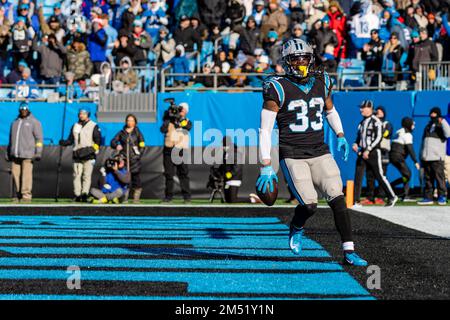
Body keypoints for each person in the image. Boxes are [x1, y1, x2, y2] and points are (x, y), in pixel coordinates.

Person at [257, 39, 367, 266]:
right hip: (293, 153)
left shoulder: (322, 81)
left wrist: (340, 135)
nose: (301, 62)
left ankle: (349, 250)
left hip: (320, 150)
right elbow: (265, 130)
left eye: (304, 58)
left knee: (338, 199)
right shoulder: (276, 87)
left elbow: (330, 110)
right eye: (296, 59)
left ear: (311, 58)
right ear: (287, 62)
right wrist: (266, 164)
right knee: (309, 204)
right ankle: (296, 226)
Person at [353, 100, 398, 207]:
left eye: (363, 108)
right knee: (358, 176)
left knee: (380, 175)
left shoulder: (376, 121)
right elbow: (359, 137)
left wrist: (369, 149)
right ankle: (356, 200)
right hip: (363, 152)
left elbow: (379, 137)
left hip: (373, 152)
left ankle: (392, 196)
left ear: (369, 108)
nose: (361, 110)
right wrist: (355, 144)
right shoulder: (362, 122)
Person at [59, 109, 102, 202]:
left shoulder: (93, 125)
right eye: (80, 114)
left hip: (89, 155)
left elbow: (98, 141)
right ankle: (77, 195)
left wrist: (90, 150)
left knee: (86, 176)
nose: (81, 115)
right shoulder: (75, 126)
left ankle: (84, 194)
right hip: (77, 154)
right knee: (76, 175)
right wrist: (64, 142)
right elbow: (71, 140)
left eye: (84, 114)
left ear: (88, 115)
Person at [6, 102, 43, 203]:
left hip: (28, 154)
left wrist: (38, 152)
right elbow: (11, 139)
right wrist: (8, 152)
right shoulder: (15, 122)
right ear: (19, 109)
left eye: (25, 108)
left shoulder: (34, 122)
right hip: (15, 155)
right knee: (15, 175)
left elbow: (39, 139)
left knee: (26, 176)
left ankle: (26, 196)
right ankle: (18, 195)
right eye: (22, 108)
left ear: (28, 109)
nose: (23, 109)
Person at [160, 101, 192, 203]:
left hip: (180, 150)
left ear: (186, 111)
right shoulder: (168, 121)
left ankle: (187, 197)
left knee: (183, 174)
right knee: (169, 174)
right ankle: (168, 197)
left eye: (181, 110)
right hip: (169, 150)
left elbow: (187, 127)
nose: (179, 111)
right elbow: (163, 129)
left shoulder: (187, 121)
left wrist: (179, 118)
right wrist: (169, 118)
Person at [418, 107, 450, 205]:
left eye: (435, 113)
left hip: (437, 157)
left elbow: (448, 134)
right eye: (431, 113)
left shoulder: (442, 125)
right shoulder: (428, 126)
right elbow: (423, 142)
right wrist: (422, 156)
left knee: (439, 178)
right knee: (428, 179)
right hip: (427, 157)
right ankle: (428, 197)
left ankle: (442, 196)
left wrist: (442, 121)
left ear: (439, 114)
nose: (432, 115)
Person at [110, 114, 146, 203]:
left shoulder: (138, 133)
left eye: (132, 120)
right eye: (128, 120)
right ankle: (124, 198)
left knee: (136, 179)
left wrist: (138, 156)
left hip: (135, 161)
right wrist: (116, 145)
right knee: (124, 179)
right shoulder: (121, 133)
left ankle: (136, 199)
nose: (130, 122)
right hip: (124, 160)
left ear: (135, 122)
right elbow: (113, 141)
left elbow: (142, 145)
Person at [363, 106, 393, 205]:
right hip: (373, 152)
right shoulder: (371, 122)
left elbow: (385, 134)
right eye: (376, 112)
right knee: (370, 175)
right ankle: (370, 197)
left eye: (379, 112)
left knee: (381, 176)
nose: (377, 114)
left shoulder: (386, 124)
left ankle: (381, 196)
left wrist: (378, 129)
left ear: (383, 113)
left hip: (383, 152)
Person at [389, 117, 420, 201]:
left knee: (406, 175)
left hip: (392, 156)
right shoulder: (407, 134)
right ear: (408, 125)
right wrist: (415, 161)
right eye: (413, 124)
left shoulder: (398, 131)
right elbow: (410, 149)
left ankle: (404, 194)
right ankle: (393, 187)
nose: (414, 126)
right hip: (398, 156)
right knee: (408, 174)